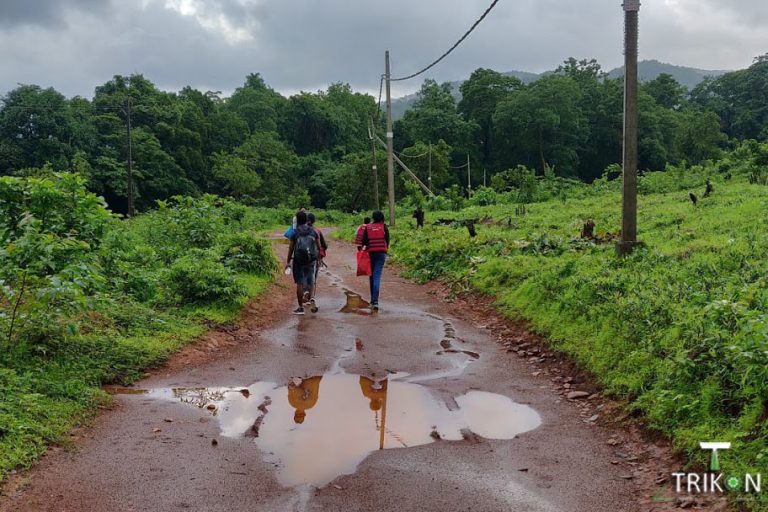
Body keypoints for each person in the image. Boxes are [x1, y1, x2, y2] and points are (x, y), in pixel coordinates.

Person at [285, 211, 321, 315]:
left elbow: (291, 248)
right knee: (311, 281)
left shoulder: (295, 233)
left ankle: (300, 308)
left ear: (297, 221)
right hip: (311, 259)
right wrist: (318, 259)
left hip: (298, 260)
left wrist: (288, 261)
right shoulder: (313, 231)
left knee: (300, 283)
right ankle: (312, 298)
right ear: (306, 220)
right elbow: (319, 246)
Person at [361, 210, 389, 311]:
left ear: (373, 217)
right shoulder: (384, 227)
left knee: (371, 276)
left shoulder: (368, 227)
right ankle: (374, 300)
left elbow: (364, 241)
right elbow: (387, 240)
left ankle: (373, 300)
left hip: (371, 253)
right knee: (376, 276)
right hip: (381, 254)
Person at [306, 212, 328, 304]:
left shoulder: (300, 230)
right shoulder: (317, 231)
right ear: (314, 221)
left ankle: (305, 291)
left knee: (304, 274)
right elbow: (325, 245)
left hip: (302, 256)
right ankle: (311, 297)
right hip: (314, 257)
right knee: (313, 276)